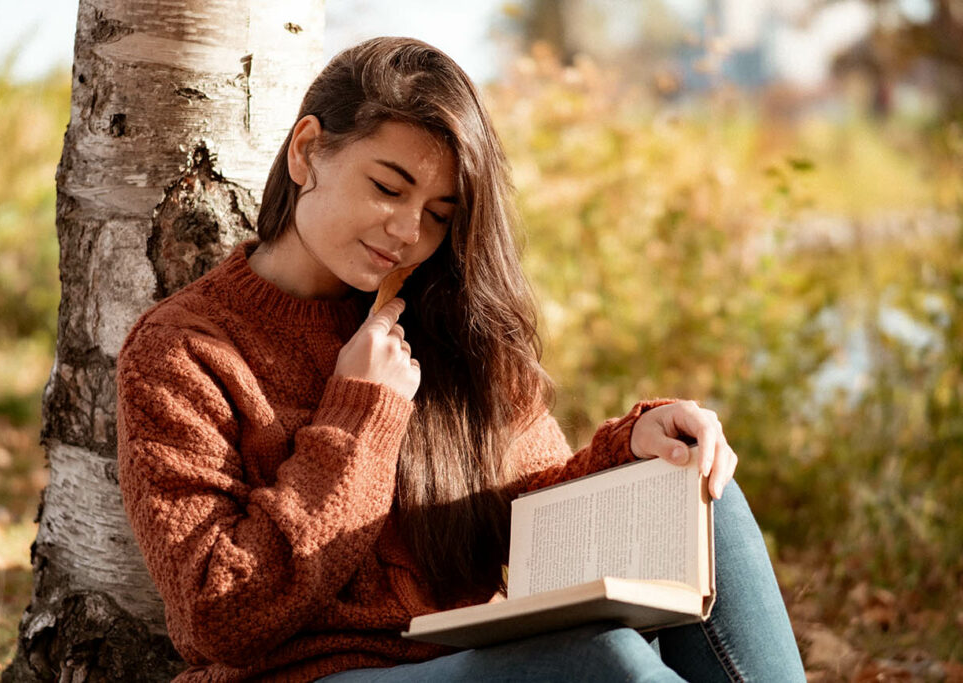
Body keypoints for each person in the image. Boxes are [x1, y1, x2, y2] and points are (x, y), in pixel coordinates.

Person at [116, 37, 805, 682]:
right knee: (599, 661)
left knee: (698, 482)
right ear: (307, 152)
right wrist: (362, 415)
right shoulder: (181, 351)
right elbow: (219, 613)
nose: (408, 231)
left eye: (439, 212)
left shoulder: (445, 321)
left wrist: (633, 451)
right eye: (388, 187)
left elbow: (533, 507)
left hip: (471, 658)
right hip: (308, 675)